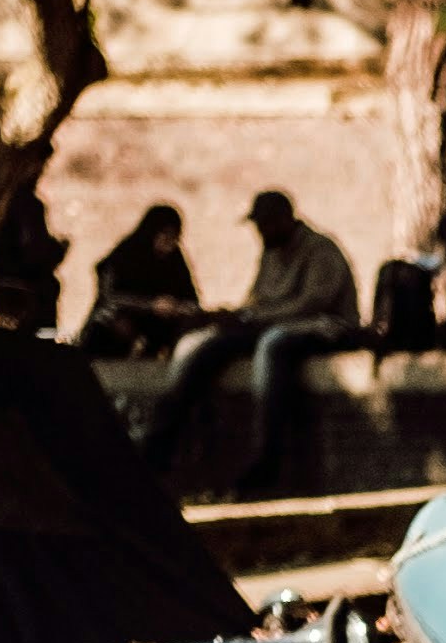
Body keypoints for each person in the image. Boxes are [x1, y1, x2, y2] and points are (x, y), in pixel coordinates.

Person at [140, 190, 361, 491]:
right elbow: (258, 300)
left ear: (285, 220)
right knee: (211, 347)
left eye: (267, 224)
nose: (261, 232)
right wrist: (234, 315)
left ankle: (267, 459)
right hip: (273, 326)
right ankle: (157, 447)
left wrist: (257, 317)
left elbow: (312, 303)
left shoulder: (320, 250)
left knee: (272, 345)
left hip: (324, 328)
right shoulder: (270, 252)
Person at [77, 201, 201, 360]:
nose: (169, 243)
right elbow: (109, 298)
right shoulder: (125, 256)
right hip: (120, 323)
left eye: (174, 237)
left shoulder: (175, 260)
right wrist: (150, 305)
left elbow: (192, 300)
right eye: (164, 235)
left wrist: (176, 307)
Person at [0, 177, 66, 333]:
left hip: (4, 282)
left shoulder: (6, 202)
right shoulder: (26, 204)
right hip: (16, 287)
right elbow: (37, 251)